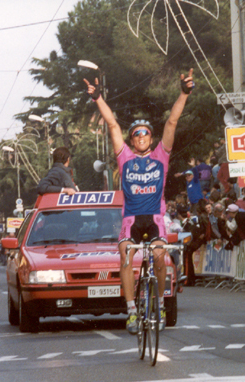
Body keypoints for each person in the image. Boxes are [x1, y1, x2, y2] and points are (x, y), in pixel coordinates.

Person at [83, 68, 194, 334]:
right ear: (132, 141)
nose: (141, 136)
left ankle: (159, 304)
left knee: (159, 256)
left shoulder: (160, 156)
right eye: (136, 134)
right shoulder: (125, 158)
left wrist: (184, 93)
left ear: (151, 139)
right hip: (131, 219)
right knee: (124, 257)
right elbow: (112, 125)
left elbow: (171, 123)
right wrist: (98, 98)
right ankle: (132, 310)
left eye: (145, 133)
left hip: (155, 218)